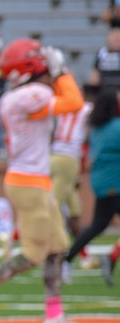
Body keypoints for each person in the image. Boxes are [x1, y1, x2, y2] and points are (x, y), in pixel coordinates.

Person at [0, 38, 84, 323]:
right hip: (28, 182)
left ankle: (54, 314)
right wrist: (62, 72)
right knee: (34, 254)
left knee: (57, 247)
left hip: (35, 180)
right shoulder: (30, 94)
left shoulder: (21, 96)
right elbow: (74, 103)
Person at [62, 89, 120, 286]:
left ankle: (110, 258)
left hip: (103, 181)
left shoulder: (98, 128)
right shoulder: (115, 127)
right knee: (97, 225)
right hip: (113, 183)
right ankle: (68, 259)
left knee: (98, 225)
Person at [50, 83, 94, 281]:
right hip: (68, 160)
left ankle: (82, 255)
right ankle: (60, 259)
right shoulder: (85, 108)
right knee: (54, 209)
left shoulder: (59, 106)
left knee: (74, 211)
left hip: (55, 156)